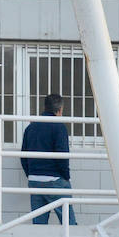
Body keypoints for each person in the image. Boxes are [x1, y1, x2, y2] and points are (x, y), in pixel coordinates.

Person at [21, 93, 77, 225]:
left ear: (45, 108)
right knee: (70, 225)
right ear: (59, 110)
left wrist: (31, 174)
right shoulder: (59, 127)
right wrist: (66, 177)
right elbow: (62, 157)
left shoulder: (30, 128)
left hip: (34, 180)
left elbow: (23, 156)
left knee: (39, 226)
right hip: (55, 180)